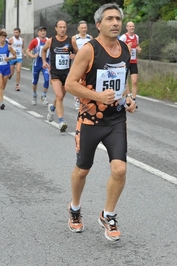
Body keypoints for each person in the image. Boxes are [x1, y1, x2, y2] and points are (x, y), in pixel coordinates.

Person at [65, 3, 135, 241]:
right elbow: (70, 84)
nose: (115, 23)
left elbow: (121, 84)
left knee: (120, 169)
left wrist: (129, 100)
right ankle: (74, 208)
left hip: (116, 119)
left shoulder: (125, 49)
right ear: (98, 24)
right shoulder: (89, 50)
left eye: (118, 19)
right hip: (90, 120)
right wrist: (96, 96)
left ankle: (109, 214)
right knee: (83, 170)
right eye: (110, 19)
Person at [41, 20, 77, 132]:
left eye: (64, 27)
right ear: (56, 28)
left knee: (60, 97)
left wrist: (74, 56)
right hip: (55, 73)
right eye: (60, 27)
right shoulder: (51, 41)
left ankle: (52, 108)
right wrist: (44, 61)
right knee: (59, 95)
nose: (62, 29)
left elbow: (80, 54)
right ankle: (61, 122)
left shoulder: (71, 41)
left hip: (66, 74)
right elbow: (43, 50)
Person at [71, 20, 93, 110]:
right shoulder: (74, 38)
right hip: (78, 62)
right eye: (82, 28)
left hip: (88, 62)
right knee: (78, 81)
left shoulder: (90, 37)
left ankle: (85, 99)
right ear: (78, 29)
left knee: (86, 81)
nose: (84, 29)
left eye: (85, 28)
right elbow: (74, 50)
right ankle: (77, 98)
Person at [119, 21, 141, 109]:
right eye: (130, 26)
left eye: (133, 26)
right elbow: (119, 47)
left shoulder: (136, 37)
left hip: (134, 61)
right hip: (126, 61)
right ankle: (128, 97)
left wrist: (138, 48)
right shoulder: (124, 37)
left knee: (134, 81)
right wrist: (127, 46)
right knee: (125, 80)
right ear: (127, 28)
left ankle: (134, 99)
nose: (132, 28)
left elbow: (137, 46)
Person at [26, 26, 49, 105]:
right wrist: (32, 56)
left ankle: (43, 96)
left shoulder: (49, 41)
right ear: (38, 32)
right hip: (37, 63)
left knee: (47, 79)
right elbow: (28, 50)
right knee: (35, 81)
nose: (43, 32)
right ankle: (34, 95)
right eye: (41, 31)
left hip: (46, 63)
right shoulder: (35, 41)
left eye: (44, 31)